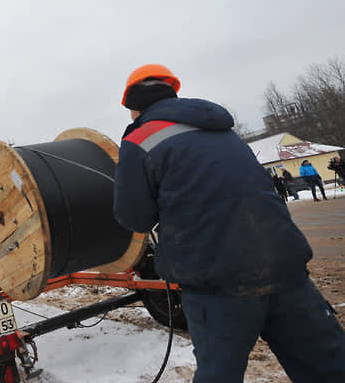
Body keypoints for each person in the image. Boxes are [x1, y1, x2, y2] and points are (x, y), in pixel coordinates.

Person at [112, 63, 345, 382]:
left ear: (132, 106)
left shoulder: (139, 139)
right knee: (330, 367)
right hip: (284, 266)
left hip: (217, 280)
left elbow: (134, 217)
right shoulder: (221, 128)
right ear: (173, 93)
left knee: (218, 375)